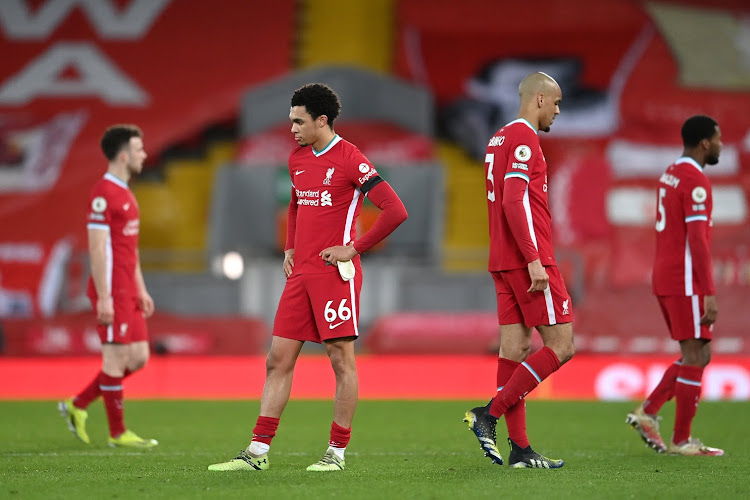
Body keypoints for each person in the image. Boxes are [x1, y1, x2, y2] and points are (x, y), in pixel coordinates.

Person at [208, 83, 408, 472]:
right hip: (301, 274)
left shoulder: (351, 158)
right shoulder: (297, 159)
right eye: (290, 121)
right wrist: (289, 248)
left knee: (340, 360)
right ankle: (257, 453)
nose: (292, 129)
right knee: (277, 359)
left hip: (336, 274)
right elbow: (297, 204)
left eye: (299, 121)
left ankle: (336, 453)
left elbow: (395, 210)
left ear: (321, 121)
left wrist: (354, 247)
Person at [463, 72, 575, 469]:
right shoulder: (525, 138)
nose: (559, 111)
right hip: (529, 261)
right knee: (562, 345)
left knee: (514, 352)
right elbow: (514, 200)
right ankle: (488, 415)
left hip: (500, 260)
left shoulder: (497, 138)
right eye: (557, 103)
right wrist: (533, 259)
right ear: (539, 99)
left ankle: (521, 450)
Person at [626, 115, 724, 457]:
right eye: (718, 139)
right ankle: (681, 440)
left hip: (667, 275)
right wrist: (709, 290)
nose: (722, 145)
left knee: (698, 354)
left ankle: (649, 412)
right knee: (696, 355)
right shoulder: (695, 181)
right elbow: (697, 240)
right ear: (705, 143)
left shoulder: (670, 173)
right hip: (684, 279)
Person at [58, 124, 157, 449]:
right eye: (140, 149)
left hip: (129, 288)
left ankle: (78, 404)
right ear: (125, 154)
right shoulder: (103, 194)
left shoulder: (126, 193)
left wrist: (140, 288)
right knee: (114, 362)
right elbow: (97, 248)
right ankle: (118, 433)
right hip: (112, 289)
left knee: (139, 357)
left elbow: (131, 248)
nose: (144, 154)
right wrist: (103, 297)